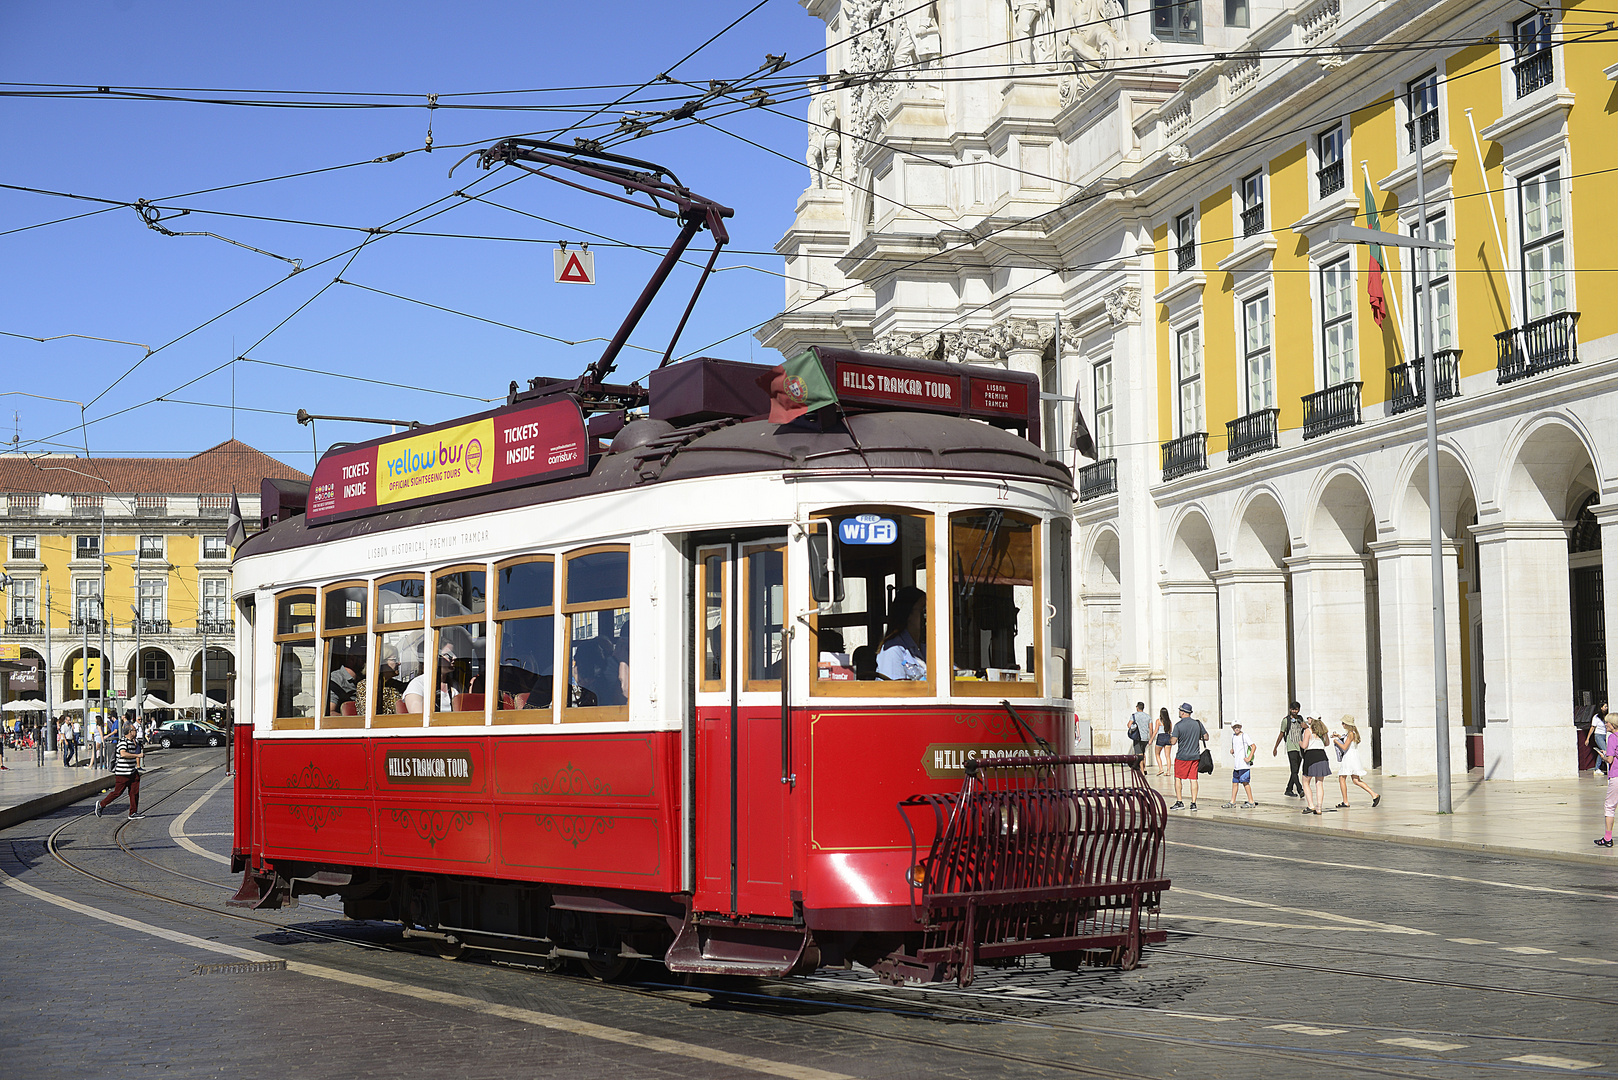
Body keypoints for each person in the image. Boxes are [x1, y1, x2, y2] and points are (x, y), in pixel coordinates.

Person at [93, 721, 145, 820]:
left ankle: (133, 812)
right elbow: (123, 754)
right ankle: (101, 805)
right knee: (117, 793)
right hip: (123, 773)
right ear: (130, 731)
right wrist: (138, 755)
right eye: (135, 730)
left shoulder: (132, 741)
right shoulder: (123, 742)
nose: (136, 732)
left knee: (134, 792)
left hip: (132, 772)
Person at [876, 586, 927, 681]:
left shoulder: (925, 648)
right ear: (908, 614)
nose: (926, 616)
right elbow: (894, 691)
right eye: (923, 610)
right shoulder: (893, 649)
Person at [1331, 716, 1380, 807]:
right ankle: (1374, 795)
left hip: (1349, 757)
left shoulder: (1350, 734)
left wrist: (1336, 741)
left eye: (1344, 723)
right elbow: (1347, 740)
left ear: (1348, 724)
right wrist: (1338, 736)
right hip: (1353, 757)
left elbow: (1345, 747)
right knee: (1356, 780)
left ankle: (1345, 801)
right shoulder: (1352, 733)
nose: (1342, 725)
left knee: (1342, 778)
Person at [1168, 702, 1208, 810]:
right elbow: (1206, 737)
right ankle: (1193, 803)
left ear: (1183, 712)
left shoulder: (1178, 725)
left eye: (1180, 710)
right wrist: (1195, 736)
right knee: (1193, 779)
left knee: (1178, 778)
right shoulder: (1197, 724)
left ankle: (1179, 802)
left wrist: (1171, 737)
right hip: (1195, 757)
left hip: (1182, 757)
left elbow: (1173, 742)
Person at [1299, 717, 1333, 815]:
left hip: (1311, 756)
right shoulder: (1324, 731)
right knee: (1319, 783)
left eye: (1309, 718)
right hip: (1322, 756)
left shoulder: (1308, 731)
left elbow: (1304, 746)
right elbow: (1327, 744)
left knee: (1305, 782)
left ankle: (1311, 805)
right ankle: (1319, 807)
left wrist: (1299, 742)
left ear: (1312, 720)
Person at [1272, 701, 1306, 799]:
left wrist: (1305, 726)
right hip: (1291, 748)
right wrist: (1275, 747)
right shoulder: (1285, 721)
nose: (1294, 711)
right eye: (1293, 709)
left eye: (1296, 709)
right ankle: (1300, 789)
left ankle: (1288, 789)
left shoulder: (1300, 719)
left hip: (1300, 747)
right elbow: (1281, 734)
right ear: (1290, 709)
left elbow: (1305, 730)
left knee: (1295, 770)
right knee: (1294, 770)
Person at [356, 649, 403, 717]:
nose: (399, 663)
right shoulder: (366, 685)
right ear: (383, 663)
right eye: (394, 660)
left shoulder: (397, 685)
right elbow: (368, 714)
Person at [1595, 714, 1618, 848]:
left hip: (1616, 775)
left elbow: (1610, 760)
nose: (1606, 725)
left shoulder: (1612, 738)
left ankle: (1607, 838)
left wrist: (1603, 756)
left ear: (1613, 724)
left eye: (1607, 723)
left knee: (1610, 806)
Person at [1223, 720, 1256, 808]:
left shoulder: (1245, 736)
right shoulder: (1233, 736)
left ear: (1240, 727)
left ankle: (1251, 801)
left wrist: (1249, 758)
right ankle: (1232, 801)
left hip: (1244, 765)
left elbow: (1253, 746)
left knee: (1245, 782)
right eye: (1235, 727)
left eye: (1238, 726)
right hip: (1237, 765)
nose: (1236, 728)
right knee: (1235, 782)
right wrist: (1232, 751)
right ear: (1232, 728)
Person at [1586, 702, 1610, 778]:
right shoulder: (1596, 717)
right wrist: (1588, 738)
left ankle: (1597, 767)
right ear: (1601, 708)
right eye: (1605, 706)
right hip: (1598, 735)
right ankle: (1597, 768)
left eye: (1607, 706)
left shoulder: (1607, 716)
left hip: (1605, 735)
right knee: (1605, 749)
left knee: (1602, 751)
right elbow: (1592, 728)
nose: (1606, 708)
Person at [1154, 707, 1173, 775]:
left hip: (1161, 737)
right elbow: (1170, 731)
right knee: (1168, 756)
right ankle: (1168, 771)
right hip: (1167, 736)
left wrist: (1151, 739)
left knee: (1157, 753)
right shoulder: (1169, 721)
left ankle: (1161, 769)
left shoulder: (1158, 721)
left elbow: (1156, 731)